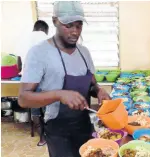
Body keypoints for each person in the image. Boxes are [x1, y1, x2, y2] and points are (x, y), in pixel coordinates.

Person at [18, 1, 111, 157]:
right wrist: (60, 94)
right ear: (55, 21)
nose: (75, 32)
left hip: (84, 124)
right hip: (58, 130)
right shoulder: (39, 53)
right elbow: (23, 98)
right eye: (68, 25)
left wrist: (99, 90)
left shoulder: (84, 52)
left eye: (79, 25)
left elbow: (92, 84)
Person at [15, 20, 49, 146]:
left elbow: (18, 63)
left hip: (28, 81)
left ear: (35, 28)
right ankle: (50, 137)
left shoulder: (23, 39)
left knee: (35, 111)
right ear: (45, 30)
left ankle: (42, 139)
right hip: (44, 80)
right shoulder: (48, 38)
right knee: (47, 110)